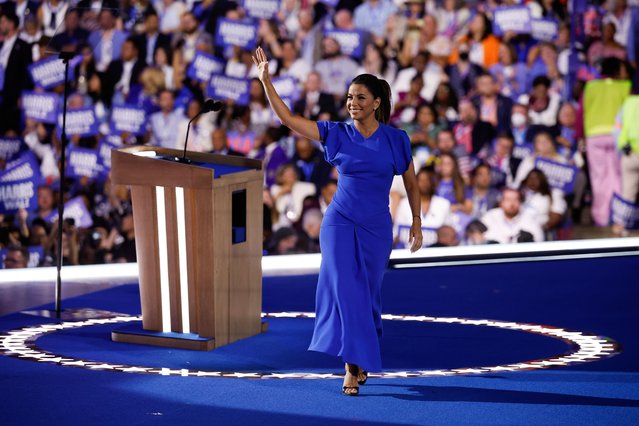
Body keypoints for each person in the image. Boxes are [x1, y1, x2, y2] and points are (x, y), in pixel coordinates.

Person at [252, 47, 421, 396]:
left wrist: (416, 220)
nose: (353, 102)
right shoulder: (336, 132)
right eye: (349, 97)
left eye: (360, 97)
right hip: (340, 221)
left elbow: (411, 181)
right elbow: (288, 120)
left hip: (376, 226)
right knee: (346, 289)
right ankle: (350, 365)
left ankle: (360, 354)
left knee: (368, 293)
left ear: (377, 103)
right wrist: (266, 81)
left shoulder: (396, 139)